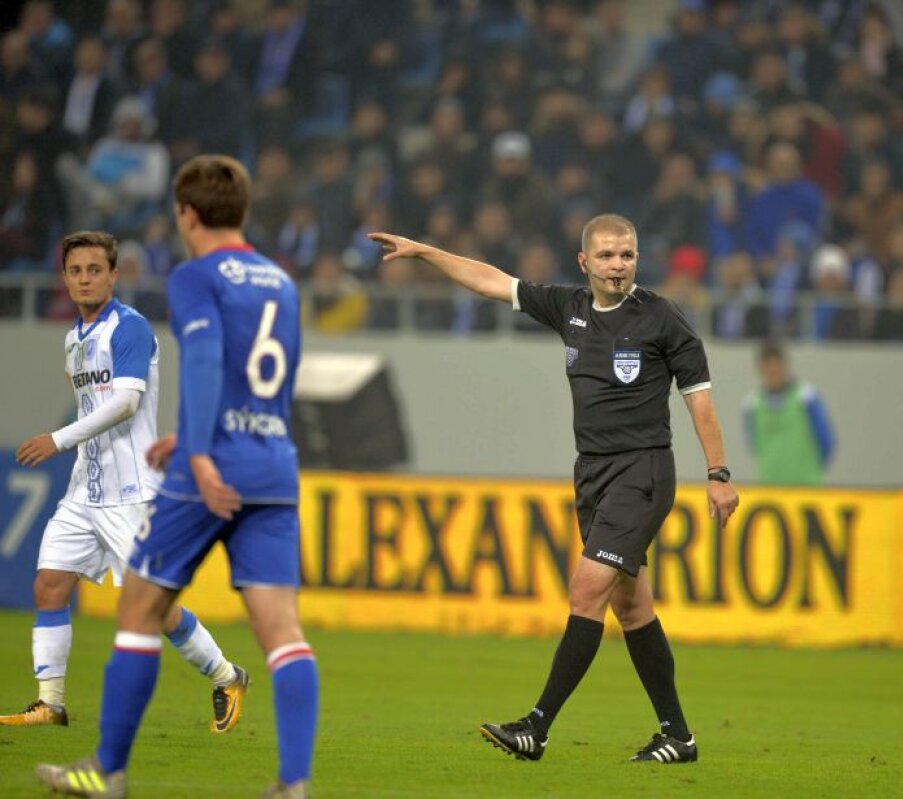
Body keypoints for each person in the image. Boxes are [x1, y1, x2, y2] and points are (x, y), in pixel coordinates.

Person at [369, 213, 740, 764]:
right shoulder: (569, 308)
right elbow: (492, 280)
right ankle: (678, 737)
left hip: (642, 472)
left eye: (628, 255)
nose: (619, 266)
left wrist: (717, 475)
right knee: (632, 609)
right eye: (608, 256)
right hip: (591, 475)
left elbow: (699, 399)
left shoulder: (663, 319)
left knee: (586, 590)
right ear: (584, 263)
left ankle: (535, 728)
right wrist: (425, 251)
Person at [36, 156, 316, 799]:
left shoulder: (195, 276)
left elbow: (208, 361)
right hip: (274, 462)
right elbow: (276, 376)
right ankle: (293, 784)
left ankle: (105, 772)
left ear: (186, 214)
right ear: (242, 211)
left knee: (139, 607)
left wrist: (199, 450)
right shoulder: (280, 280)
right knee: (283, 631)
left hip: (210, 467)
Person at [1, 230, 248, 734]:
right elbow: (92, 404)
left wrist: (59, 438)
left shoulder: (129, 329)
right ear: (64, 278)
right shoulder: (74, 340)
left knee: (152, 606)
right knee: (49, 584)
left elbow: (126, 403)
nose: (84, 279)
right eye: (75, 271)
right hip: (84, 492)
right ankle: (51, 702)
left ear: (113, 276)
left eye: (95, 270)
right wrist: (74, 455)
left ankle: (226, 675)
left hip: (132, 493)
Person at [742, 340, 835, 486]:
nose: (773, 371)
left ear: (786, 365)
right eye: (768, 366)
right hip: (770, 488)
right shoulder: (752, 405)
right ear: (760, 368)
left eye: (776, 365)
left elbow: (826, 441)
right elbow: (755, 445)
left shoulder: (806, 398)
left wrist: (810, 470)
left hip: (807, 487)